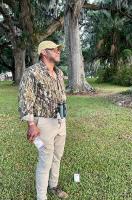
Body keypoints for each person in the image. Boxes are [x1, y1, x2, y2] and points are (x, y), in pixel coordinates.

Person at [18, 41, 68, 200]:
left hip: (61, 121)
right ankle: (41, 197)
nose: (58, 51)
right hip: (44, 122)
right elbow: (25, 99)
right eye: (55, 49)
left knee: (57, 157)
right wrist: (31, 124)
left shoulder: (59, 73)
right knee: (45, 160)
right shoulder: (32, 72)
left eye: (59, 49)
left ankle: (53, 186)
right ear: (44, 52)